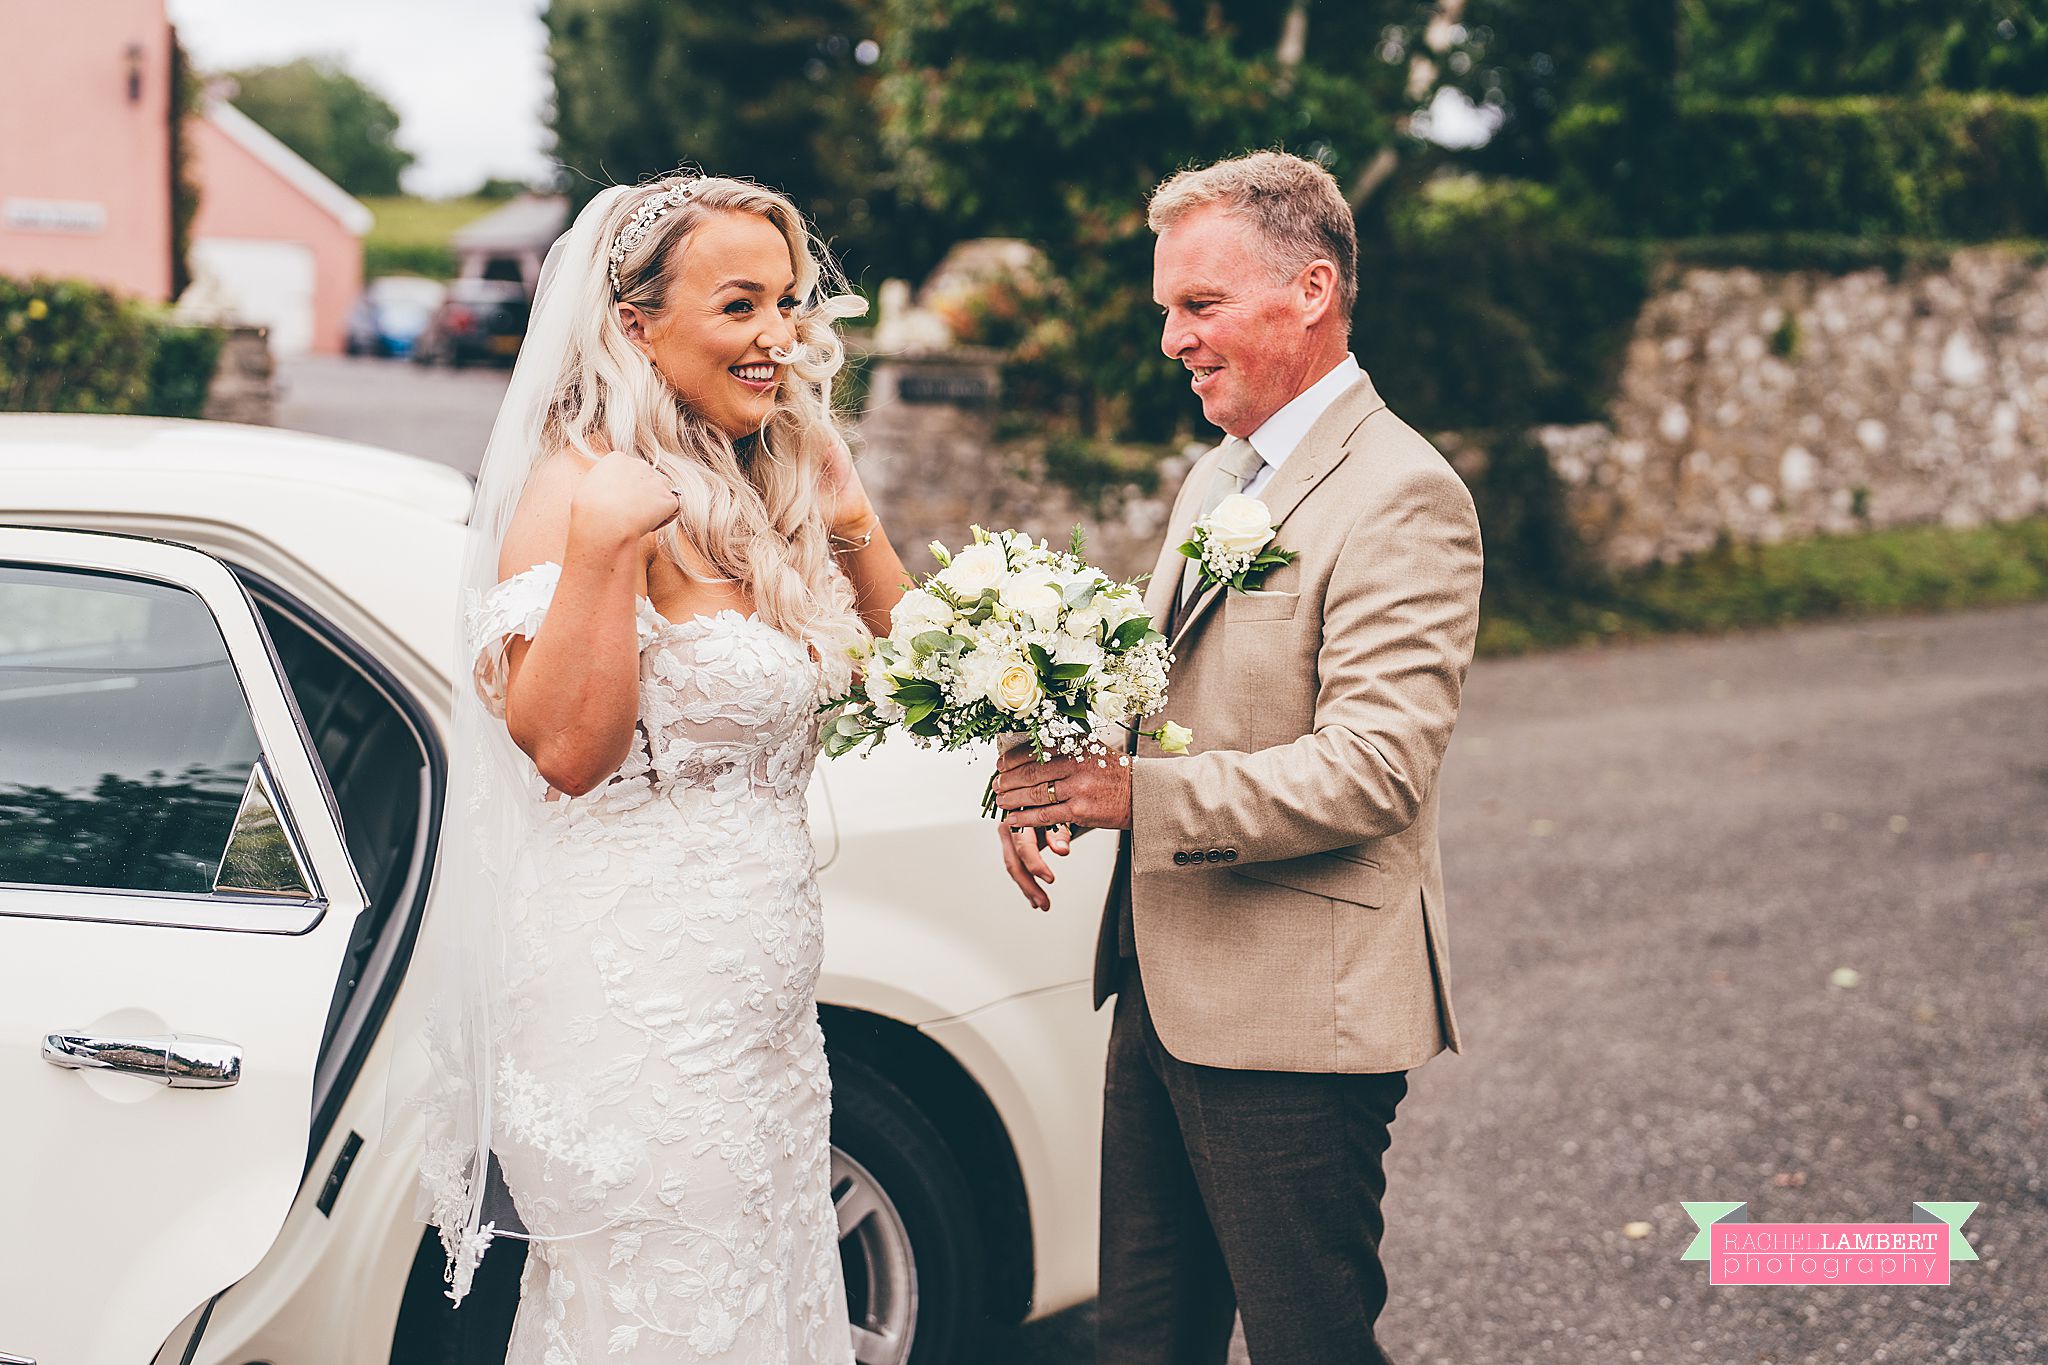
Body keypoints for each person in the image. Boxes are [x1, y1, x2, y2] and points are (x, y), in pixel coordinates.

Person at [992, 150, 1484, 1364]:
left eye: (1197, 306)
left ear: (1310, 290)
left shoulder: (1403, 495)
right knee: (1145, 1338)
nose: (1171, 339)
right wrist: (1050, 752)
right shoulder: (1223, 470)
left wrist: (1130, 795)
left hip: (1293, 1016)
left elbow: (1373, 769)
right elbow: (1170, 690)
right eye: (1168, 308)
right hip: (1160, 984)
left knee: (1307, 1343)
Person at [406, 174, 905, 1363]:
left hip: (762, 1017)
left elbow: (913, 671)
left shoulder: (752, 483)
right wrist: (597, 554)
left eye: (786, 303)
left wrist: (843, 507)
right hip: (636, 1012)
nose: (778, 337)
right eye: (740, 306)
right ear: (635, 323)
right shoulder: (577, 491)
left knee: (761, 1298)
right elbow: (567, 755)